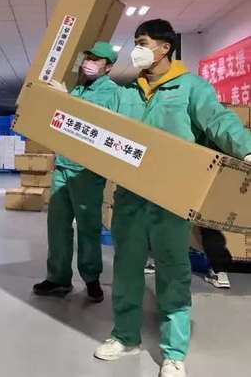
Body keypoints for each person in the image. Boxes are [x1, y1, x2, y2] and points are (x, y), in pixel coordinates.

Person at [93, 19, 251, 377]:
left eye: (142, 42)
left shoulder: (191, 88)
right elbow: (97, 115)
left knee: (172, 272)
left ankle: (174, 353)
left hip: (172, 198)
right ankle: (125, 336)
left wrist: (245, 148)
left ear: (164, 47)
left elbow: (218, 121)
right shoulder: (127, 92)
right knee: (127, 267)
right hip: (131, 196)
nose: (137, 49)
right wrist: (64, 94)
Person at [33, 42, 120, 303]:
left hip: (87, 172)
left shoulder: (112, 92)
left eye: (97, 60)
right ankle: (58, 278)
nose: (89, 63)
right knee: (57, 226)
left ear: (108, 67)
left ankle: (91, 278)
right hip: (62, 166)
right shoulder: (79, 88)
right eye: (88, 57)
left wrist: (66, 100)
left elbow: (94, 122)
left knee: (88, 227)